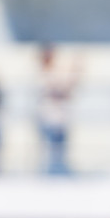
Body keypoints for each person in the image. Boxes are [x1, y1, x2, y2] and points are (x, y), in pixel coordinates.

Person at [36, 44, 80, 175]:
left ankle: (59, 169)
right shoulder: (39, 72)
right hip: (46, 115)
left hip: (59, 115)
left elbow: (66, 90)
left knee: (61, 145)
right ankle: (48, 170)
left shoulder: (55, 72)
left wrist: (75, 72)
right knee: (48, 146)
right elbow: (55, 90)